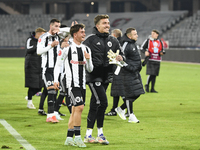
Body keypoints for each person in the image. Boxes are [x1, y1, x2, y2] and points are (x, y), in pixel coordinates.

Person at [83, 14, 121, 144]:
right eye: (104, 23)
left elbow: (121, 55)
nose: (107, 26)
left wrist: (121, 58)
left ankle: (88, 134)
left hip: (106, 77)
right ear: (97, 26)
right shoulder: (90, 40)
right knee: (103, 102)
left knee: (95, 103)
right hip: (93, 76)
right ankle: (100, 133)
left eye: (108, 23)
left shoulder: (113, 40)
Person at [54, 24, 93, 147]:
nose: (84, 34)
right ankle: (78, 137)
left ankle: (69, 138)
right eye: (82, 32)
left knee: (75, 110)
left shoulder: (86, 49)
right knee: (80, 107)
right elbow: (58, 65)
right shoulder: (67, 49)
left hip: (82, 85)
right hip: (71, 84)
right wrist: (56, 79)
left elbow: (90, 69)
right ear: (75, 34)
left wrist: (89, 59)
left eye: (84, 31)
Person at [37, 18, 70, 123]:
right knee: (51, 90)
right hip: (47, 68)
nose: (57, 28)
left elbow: (69, 32)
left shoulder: (58, 36)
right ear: (50, 26)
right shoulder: (44, 37)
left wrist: (73, 27)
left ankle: (52, 114)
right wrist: (50, 46)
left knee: (55, 91)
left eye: (59, 26)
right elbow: (38, 51)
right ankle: (50, 115)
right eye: (55, 26)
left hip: (58, 69)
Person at [111, 27, 145, 123]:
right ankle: (131, 116)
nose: (137, 35)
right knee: (130, 94)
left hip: (135, 71)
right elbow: (122, 56)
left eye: (136, 33)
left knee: (138, 92)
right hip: (128, 72)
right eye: (135, 34)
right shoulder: (125, 44)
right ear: (129, 36)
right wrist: (125, 65)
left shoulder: (133, 43)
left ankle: (121, 108)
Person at [25, 27, 46, 109]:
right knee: (32, 84)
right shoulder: (30, 39)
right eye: (42, 34)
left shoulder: (43, 41)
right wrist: (38, 45)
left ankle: (30, 95)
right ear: (38, 34)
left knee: (41, 84)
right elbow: (28, 50)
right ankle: (29, 102)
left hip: (40, 64)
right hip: (31, 65)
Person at [105, 28, 125, 116]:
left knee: (120, 90)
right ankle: (115, 109)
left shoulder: (116, 44)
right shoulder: (124, 43)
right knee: (117, 90)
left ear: (114, 35)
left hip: (118, 70)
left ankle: (126, 109)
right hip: (120, 69)